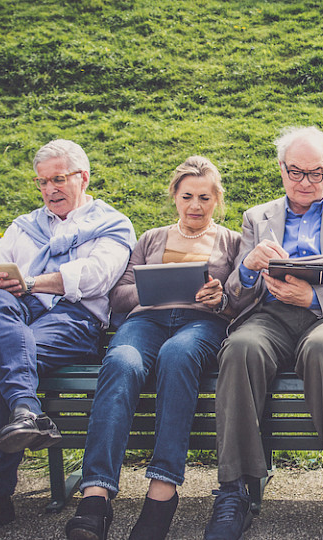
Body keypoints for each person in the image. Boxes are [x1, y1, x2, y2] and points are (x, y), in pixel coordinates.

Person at [0, 140, 136, 540]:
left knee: (8, 363)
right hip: (17, 316)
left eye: (58, 179)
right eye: (42, 182)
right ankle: (27, 411)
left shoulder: (112, 223)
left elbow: (96, 276)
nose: (49, 190)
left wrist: (29, 282)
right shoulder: (24, 225)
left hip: (73, 321)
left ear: (83, 177)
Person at [203, 126, 323, 540]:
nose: (305, 183)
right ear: (281, 170)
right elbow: (236, 295)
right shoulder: (257, 217)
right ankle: (235, 489)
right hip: (272, 315)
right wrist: (248, 267)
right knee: (241, 348)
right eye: (296, 172)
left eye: (316, 174)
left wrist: (314, 297)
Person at [64, 156, 242, 540]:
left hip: (202, 324)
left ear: (217, 200)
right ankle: (96, 494)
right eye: (188, 196)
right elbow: (119, 295)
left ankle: (162, 490)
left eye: (205, 198)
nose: (196, 205)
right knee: (121, 362)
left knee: (176, 355)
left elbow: (243, 301)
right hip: (147, 320)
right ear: (175, 197)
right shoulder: (150, 238)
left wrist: (219, 298)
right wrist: (152, 288)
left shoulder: (232, 241)